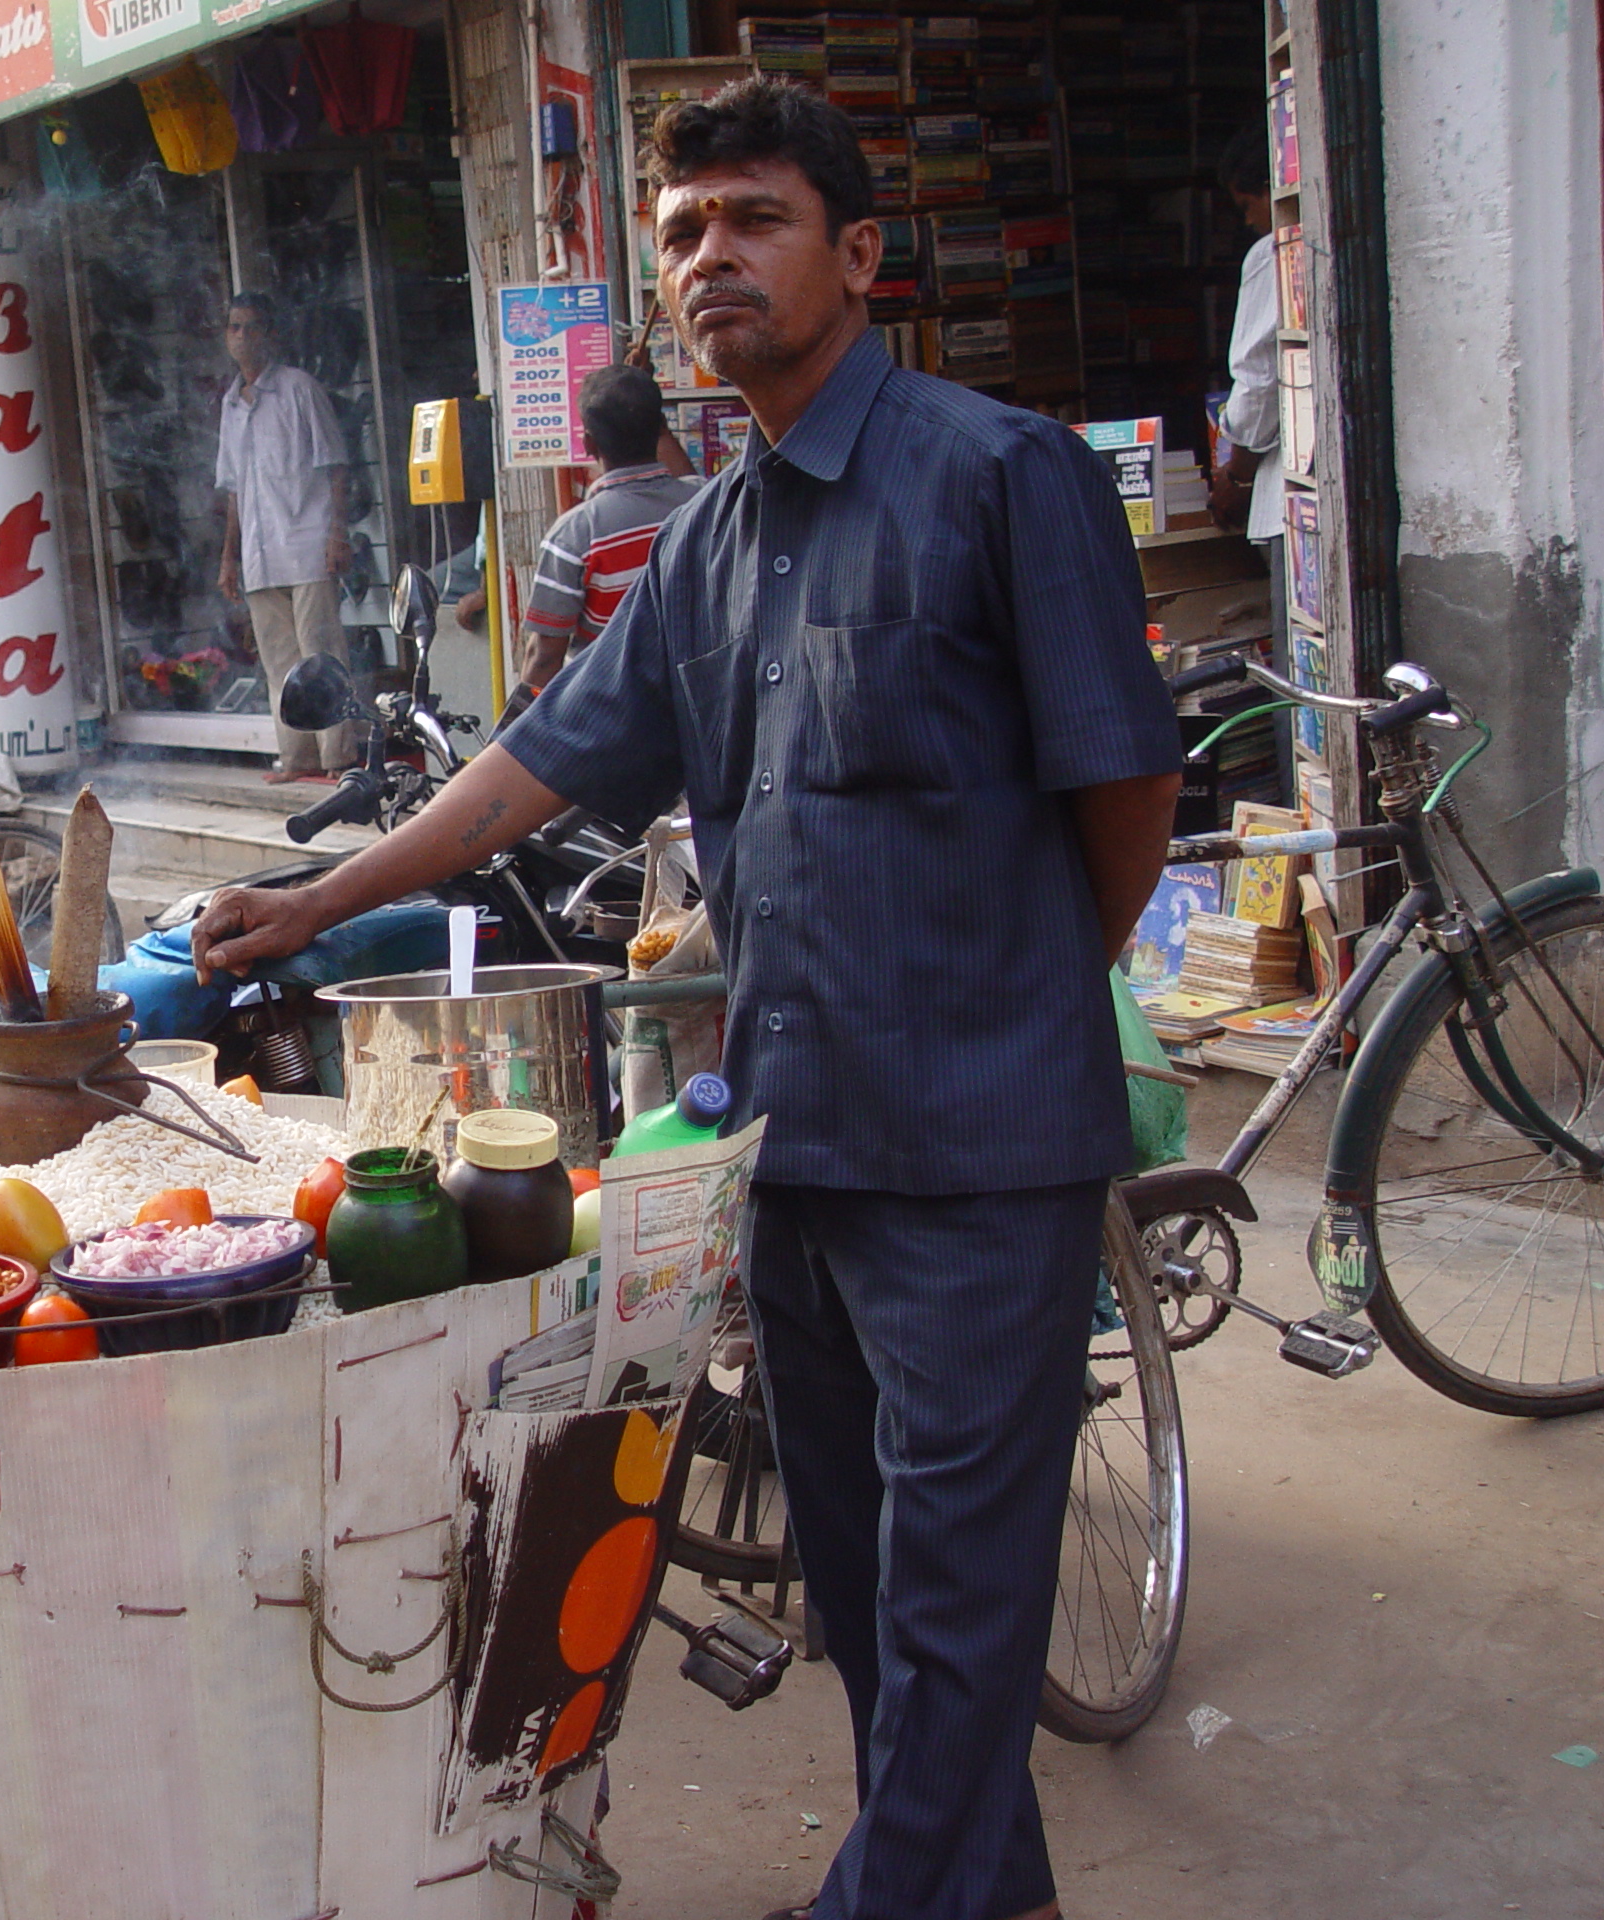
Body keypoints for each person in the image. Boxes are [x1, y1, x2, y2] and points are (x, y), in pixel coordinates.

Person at [194, 77, 1179, 1920]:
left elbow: (1129, 790)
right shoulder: (709, 549)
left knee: (962, 1616)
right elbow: (531, 769)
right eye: (681, 235)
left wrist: (1037, 999)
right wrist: (314, 898)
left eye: (753, 220)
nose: (709, 258)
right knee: (881, 1612)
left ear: (859, 256)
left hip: (976, 1160)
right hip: (793, 1156)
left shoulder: (996, 476)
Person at [503, 364, 703, 725]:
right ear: (660, 428)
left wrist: (510, 735)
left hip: (614, 722)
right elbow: (686, 477)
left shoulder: (575, 535)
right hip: (698, 708)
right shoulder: (702, 504)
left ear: (588, 444)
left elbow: (544, 659)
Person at [213, 291, 355, 782]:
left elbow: (335, 466)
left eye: (252, 327)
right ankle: (297, 759)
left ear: (270, 335)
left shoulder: (299, 390)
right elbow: (233, 490)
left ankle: (338, 756)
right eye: (234, 327)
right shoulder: (231, 406)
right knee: (278, 662)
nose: (242, 336)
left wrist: (337, 534)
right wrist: (229, 557)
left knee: (321, 653)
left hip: (307, 542)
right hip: (258, 552)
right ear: (226, 336)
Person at [1209, 126, 1284, 630]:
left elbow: (1258, 382)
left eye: (1246, 204)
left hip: (1286, 499)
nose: (1251, 221)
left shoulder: (1273, 254)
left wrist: (1236, 473)